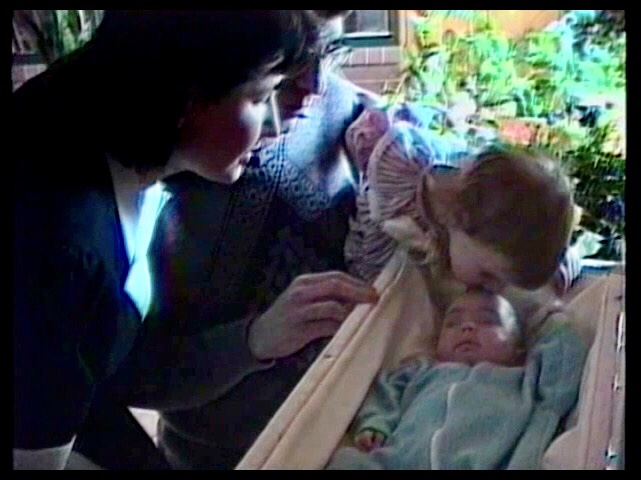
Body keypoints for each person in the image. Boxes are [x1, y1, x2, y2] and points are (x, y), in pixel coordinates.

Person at [13, 10, 320, 470]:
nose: (274, 125)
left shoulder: (95, 118)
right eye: (260, 98)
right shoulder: (63, 248)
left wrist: (256, 340)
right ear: (185, 96)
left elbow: (108, 356)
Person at [110, 10, 382, 470]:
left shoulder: (352, 110)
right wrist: (254, 341)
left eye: (330, 52)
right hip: (224, 458)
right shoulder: (154, 180)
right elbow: (127, 373)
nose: (316, 86)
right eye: (296, 60)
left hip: (358, 441)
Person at [343, 107, 577, 313]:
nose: (496, 289)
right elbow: (371, 256)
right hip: (380, 183)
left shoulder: (476, 208)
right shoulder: (395, 194)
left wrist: (555, 259)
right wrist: (365, 297)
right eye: (488, 275)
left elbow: (533, 218)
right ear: (458, 218)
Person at [326, 289, 588, 470]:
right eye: (453, 323)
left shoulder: (524, 379)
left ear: (518, 348)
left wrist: (544, 312)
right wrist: (376, 422)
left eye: (488, 320)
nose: (467, 327)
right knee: (346, 461)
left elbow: (564, 356)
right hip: (399, 462)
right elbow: (386, 390)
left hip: (490, 463)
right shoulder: (422, 372)